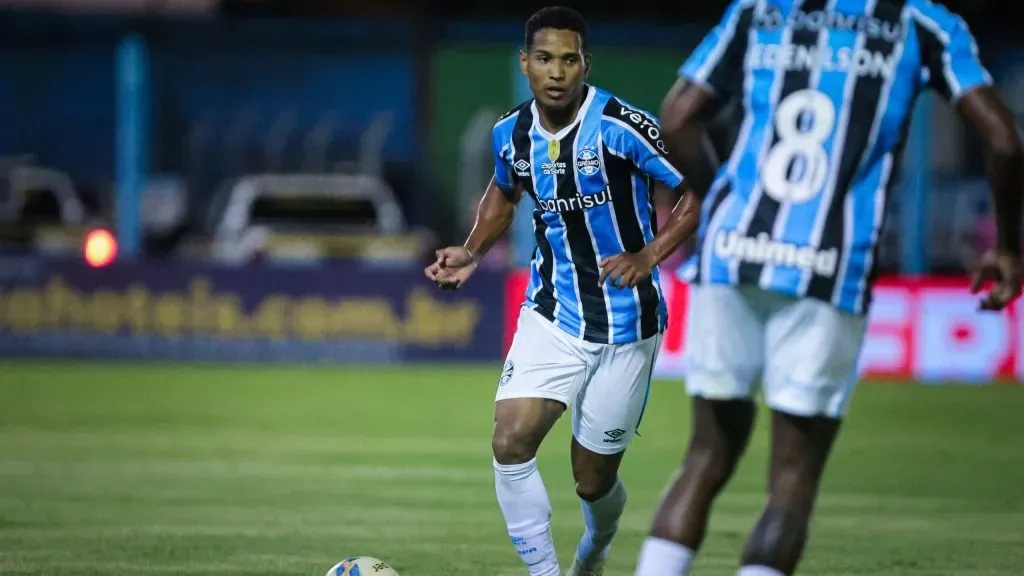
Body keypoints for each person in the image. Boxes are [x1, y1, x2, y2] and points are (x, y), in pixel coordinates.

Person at [633, 1, 1024, 575]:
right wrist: (1009, 246)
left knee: (707, 454)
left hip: (731, 252)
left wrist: (724, 200)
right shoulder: (923, 24)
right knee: (791, 481)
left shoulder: (760, 9)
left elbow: (674, 117)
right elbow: (1005, 142)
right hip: (828, 264)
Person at [424, 7, 699, 576]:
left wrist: (649, 255)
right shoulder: (511, 133)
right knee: (510, 441)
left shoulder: (622, 125)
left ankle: (595, 548)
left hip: (627, 326)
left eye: (568, 60)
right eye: (544, 59)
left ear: (585, 65)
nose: (556, 71)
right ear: (525, 64)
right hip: (552, 312)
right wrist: (472, 251)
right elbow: (503, 193)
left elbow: (696, 186)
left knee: (591, 480)